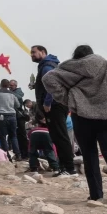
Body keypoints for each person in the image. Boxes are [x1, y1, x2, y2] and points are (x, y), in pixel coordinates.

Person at [42, 45, 107, 207]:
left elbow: (48, 79)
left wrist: (67, 99)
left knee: (90, 156)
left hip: (82, 117)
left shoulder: (70, 68)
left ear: (77, 56)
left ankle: (95, 195)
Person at [31, 46, 75, 176]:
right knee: (57, 137)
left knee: (60, 136)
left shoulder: (47, 66)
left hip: (54, 105)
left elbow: (52, 84)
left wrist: (47, 102)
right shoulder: (49, 65)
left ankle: (69, 168)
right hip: (57, 104)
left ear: (43, 52)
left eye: (34, 52)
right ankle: (64, 167)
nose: (32, 55)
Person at [0, 79, 18, 161]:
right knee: (13, 136)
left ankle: (6, 154)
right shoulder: (12, 93)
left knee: (2, 136)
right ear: (8, 86)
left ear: (0, 84)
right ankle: (18, 154)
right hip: (12, 115)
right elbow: (17, 104)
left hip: (1, 116)